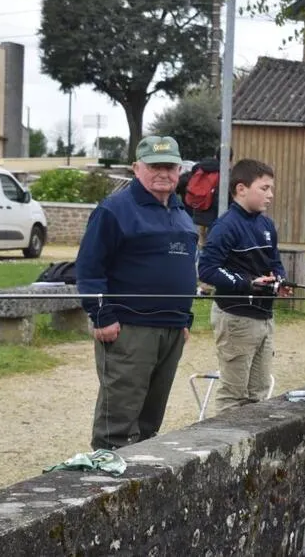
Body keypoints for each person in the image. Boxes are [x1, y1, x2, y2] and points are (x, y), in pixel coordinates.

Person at [76, 135, 197, 450]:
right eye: (154, 166)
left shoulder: (182, 213)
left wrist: (185, 319)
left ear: (180, 169)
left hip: (171, 328)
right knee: (119, 416)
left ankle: (140, 480)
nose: (163, 173)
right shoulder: (115, 210)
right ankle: (106, 479)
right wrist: (101, 315)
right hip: (130, 328)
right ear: (136, 168)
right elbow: (90, 267)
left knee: (150, 419)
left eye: (169, 166)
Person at [198, 159, 290, 411]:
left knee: (258, 393)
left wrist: (279, 280)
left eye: (271, 188)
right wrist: (247, 284)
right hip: (236, 318)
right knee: (233, 396)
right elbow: (206, 269)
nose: (270, 195)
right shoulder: (226, 225)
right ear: (241, 189)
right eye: (264, 188)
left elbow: (274, 262)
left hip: (264, 317)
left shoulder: (266, 224)